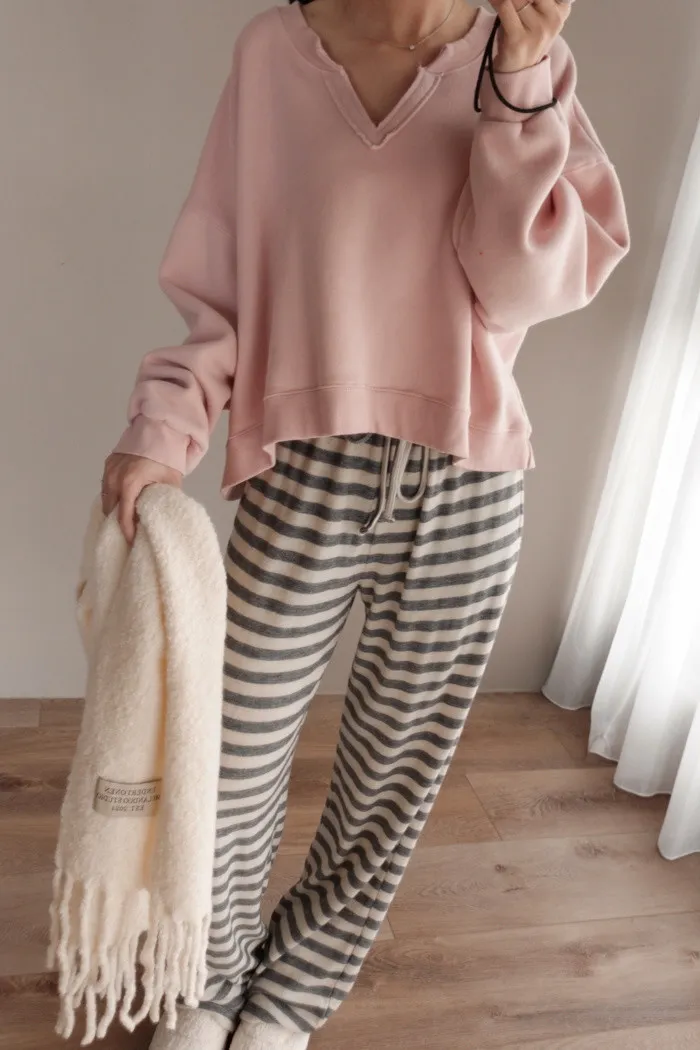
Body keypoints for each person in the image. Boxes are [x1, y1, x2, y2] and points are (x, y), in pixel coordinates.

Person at [101, 1, 629, 1048]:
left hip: (466, 487)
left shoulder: (522, 64)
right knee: (225, 764)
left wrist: (520, 84)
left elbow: (519, 286)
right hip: (303, 473)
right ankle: (208, 988)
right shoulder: (274, 54)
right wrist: (166, 423)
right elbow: (222, 281)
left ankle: (289, 1002)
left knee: (388, 787)